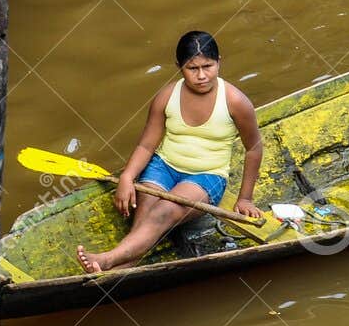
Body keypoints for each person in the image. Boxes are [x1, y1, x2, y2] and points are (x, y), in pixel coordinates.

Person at [78, 31, 264, 273]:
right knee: (144, 212)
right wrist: (126, 177)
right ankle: (123, 268)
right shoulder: (167, 96)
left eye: (208, 66)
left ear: (219, 61)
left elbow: (254, 148)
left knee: (164, 212)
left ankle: (107, 260)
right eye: (192, 68)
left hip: (206, 176)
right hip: (163, 167)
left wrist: (245, 198)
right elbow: (146, 145)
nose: (201, 75)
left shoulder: (236, 102)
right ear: (179, 67)